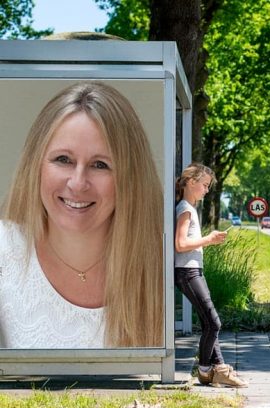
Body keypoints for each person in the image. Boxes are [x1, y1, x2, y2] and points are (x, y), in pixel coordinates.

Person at [0, 82, 163, 348]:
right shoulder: (4, 250)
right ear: (36, 165)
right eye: (63, 159)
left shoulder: (162, 267)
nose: (77, 183)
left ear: (130, 178)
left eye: (100, 165)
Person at [174, 163, 247, 388]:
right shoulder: (185, 208)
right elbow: (181, 244)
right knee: (213, 322)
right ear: (190, 182)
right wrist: (210, 239)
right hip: (188, 272)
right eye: (204, 185)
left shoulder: (188, 207)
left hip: (194, 271)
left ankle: (217, 369)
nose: (207, 190)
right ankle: (206, 370)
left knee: (210, 322)